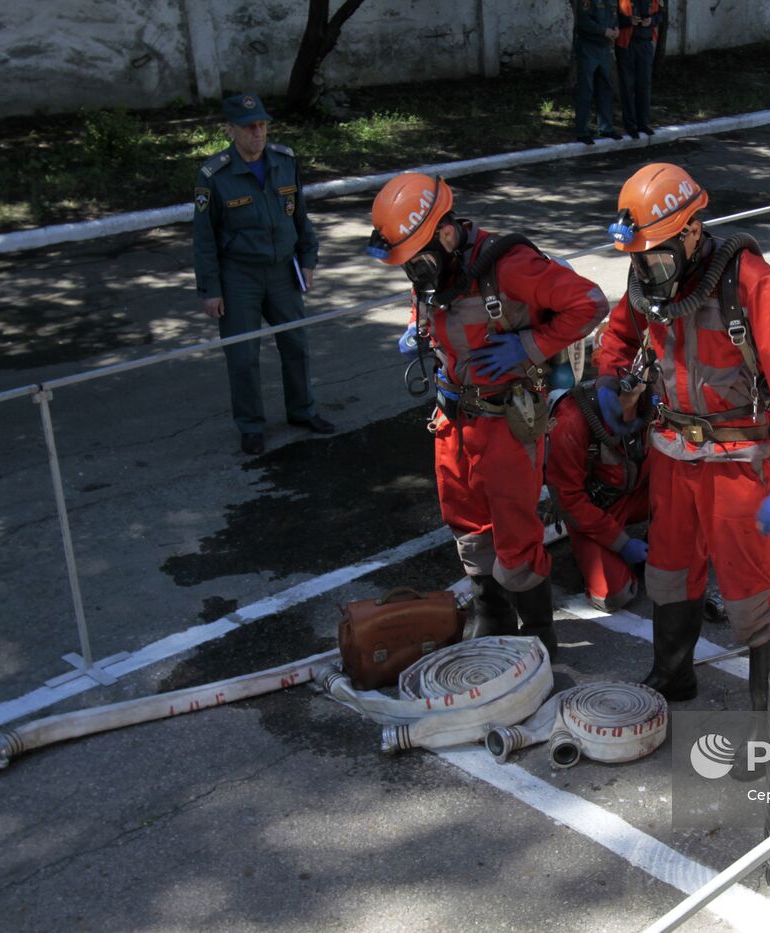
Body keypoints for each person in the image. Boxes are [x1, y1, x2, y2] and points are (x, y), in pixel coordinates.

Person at [596, 162, 770, 709]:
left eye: (656, 255)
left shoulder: (753, 285)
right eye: (639, 257)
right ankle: (672, 675)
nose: (648, 268)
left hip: (737, 462)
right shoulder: (645, 280)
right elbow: (619, 335)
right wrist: (609, 382)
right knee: (669, 573)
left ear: (693, 232)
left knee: (749, 594)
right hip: (672, 456)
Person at [367, 173, 608, 658]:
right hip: (454, 416)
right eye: (406, 263)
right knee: (466, 519)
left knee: (515, 529)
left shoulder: (509, 265)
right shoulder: (434, 270)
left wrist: (529, 345)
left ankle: (539, 634)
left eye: (417, 258)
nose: (413, 271)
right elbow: (434, 306)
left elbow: (590, 302)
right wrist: (420, 331)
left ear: (447, 232)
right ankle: (492, 614)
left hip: (505, 420)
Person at [192, 92, 334, 455]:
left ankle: (302, 411)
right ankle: (251, 425)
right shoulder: (215, 175)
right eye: (249, 127)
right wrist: (211, 289)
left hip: (283, 270)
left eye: (262, 125)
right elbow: (204, 238)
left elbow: (299, 215)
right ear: (230, 129)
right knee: (243, 355)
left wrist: (308, 258)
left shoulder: (284, 161)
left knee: (296, 345)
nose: (258, 133)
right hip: (239, 276)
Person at [546, 380, 652, 612]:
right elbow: (569, 500)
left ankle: (655, 542)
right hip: (594, 510)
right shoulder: (571, 420)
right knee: (613, 595)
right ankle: (595, 554)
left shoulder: (654, 405)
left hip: (640, 493)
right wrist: (621, 543)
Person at [573, 0, 621, 144]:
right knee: (585, 89)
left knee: (605, 88)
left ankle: (606, 128)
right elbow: (583, 21)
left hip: (604, 48)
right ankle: (582, 131)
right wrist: (604, 31)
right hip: (588, 46)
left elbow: (615, 17)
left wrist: (616, 29)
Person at [615, 0, 662, 138]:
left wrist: (652, 20)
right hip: (626, 44)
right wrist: (628, 20)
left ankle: (643, 123)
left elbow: (661, 14)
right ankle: (630, 125)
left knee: (644, 85)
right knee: (627, 85)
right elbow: (611, 16)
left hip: (645, 43)